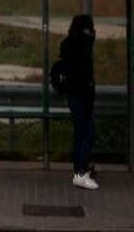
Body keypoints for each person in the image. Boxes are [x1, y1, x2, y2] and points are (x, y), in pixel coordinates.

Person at [60, 14, 98, 190]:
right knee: (88, 133)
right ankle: (80, 172)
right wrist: (90, 38)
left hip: (74, 95)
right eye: (89, 28)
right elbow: (83, 62)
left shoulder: (68, 44)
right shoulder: (82, 46)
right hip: (82, 95)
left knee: (81, 133)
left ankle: (79, 169)